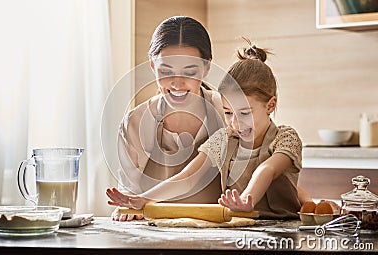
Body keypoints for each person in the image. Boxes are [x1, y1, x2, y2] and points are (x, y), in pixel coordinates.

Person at [107, 37, 310, 218]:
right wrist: (144, 199)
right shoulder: (224, 139)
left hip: (284, 231)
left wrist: (246, 200)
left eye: (245, 113)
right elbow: (187, 177)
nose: (236, 123)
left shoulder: (286, 137)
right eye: (228, 113)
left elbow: (267, 169)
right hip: (239, 228)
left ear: (270, 105)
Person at [110, 16, 225, 221]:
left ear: (207, 67)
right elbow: (130, 196)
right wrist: (127, 208)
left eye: (189, 71)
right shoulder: (135, 123)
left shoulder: (226, 111)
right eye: (166, 71)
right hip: (155, 235)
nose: (177, 83)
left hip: (219, 234)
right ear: (153, 65)